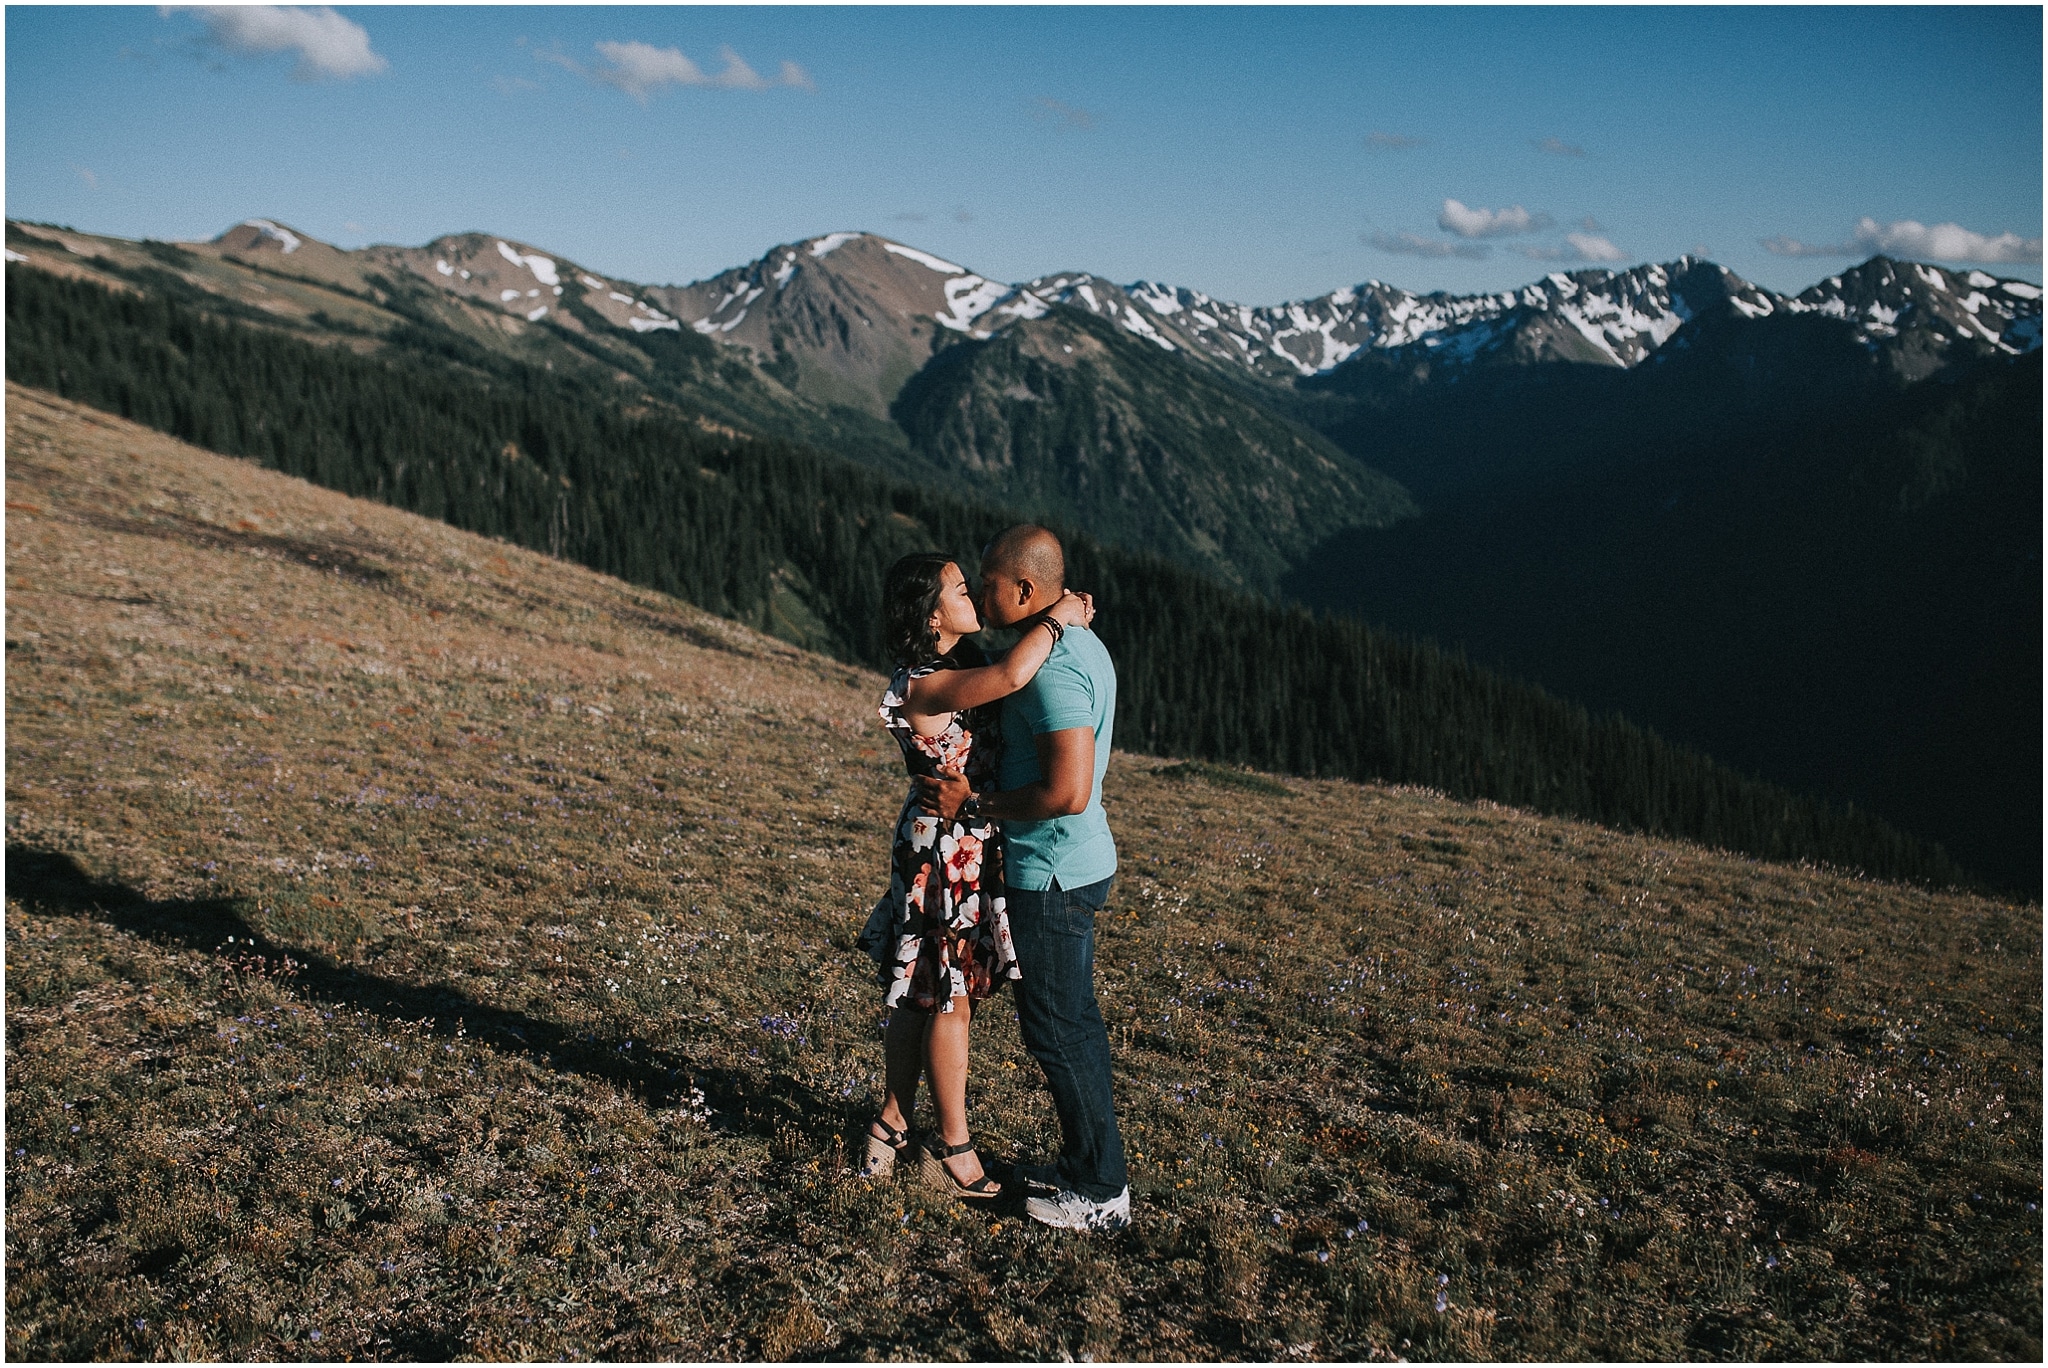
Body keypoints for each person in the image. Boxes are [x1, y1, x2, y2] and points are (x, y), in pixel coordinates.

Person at [858, 551, 1095, 1203]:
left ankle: (891, 1124)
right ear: (934, 614)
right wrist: (1061, 617)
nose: (974, 597)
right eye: (962, 590)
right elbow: (1016, 674)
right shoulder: (923, 685)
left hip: (956, 837)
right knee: (948, 996)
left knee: (921, 988)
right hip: (946, 845)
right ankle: (955, 1148)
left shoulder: (949, 668)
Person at [917, 525, 1131, 1233]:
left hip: (1052, 872)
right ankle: (1086, 1165)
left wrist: (978, 805)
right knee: (1073, 1025)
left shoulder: (1054, 670)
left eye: (989, 584)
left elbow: (1067, 790)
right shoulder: (1075, 644)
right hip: (1076, 862)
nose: (980, 595)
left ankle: (1100, 1190)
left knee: (1059, 1030)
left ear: (1026, 590)